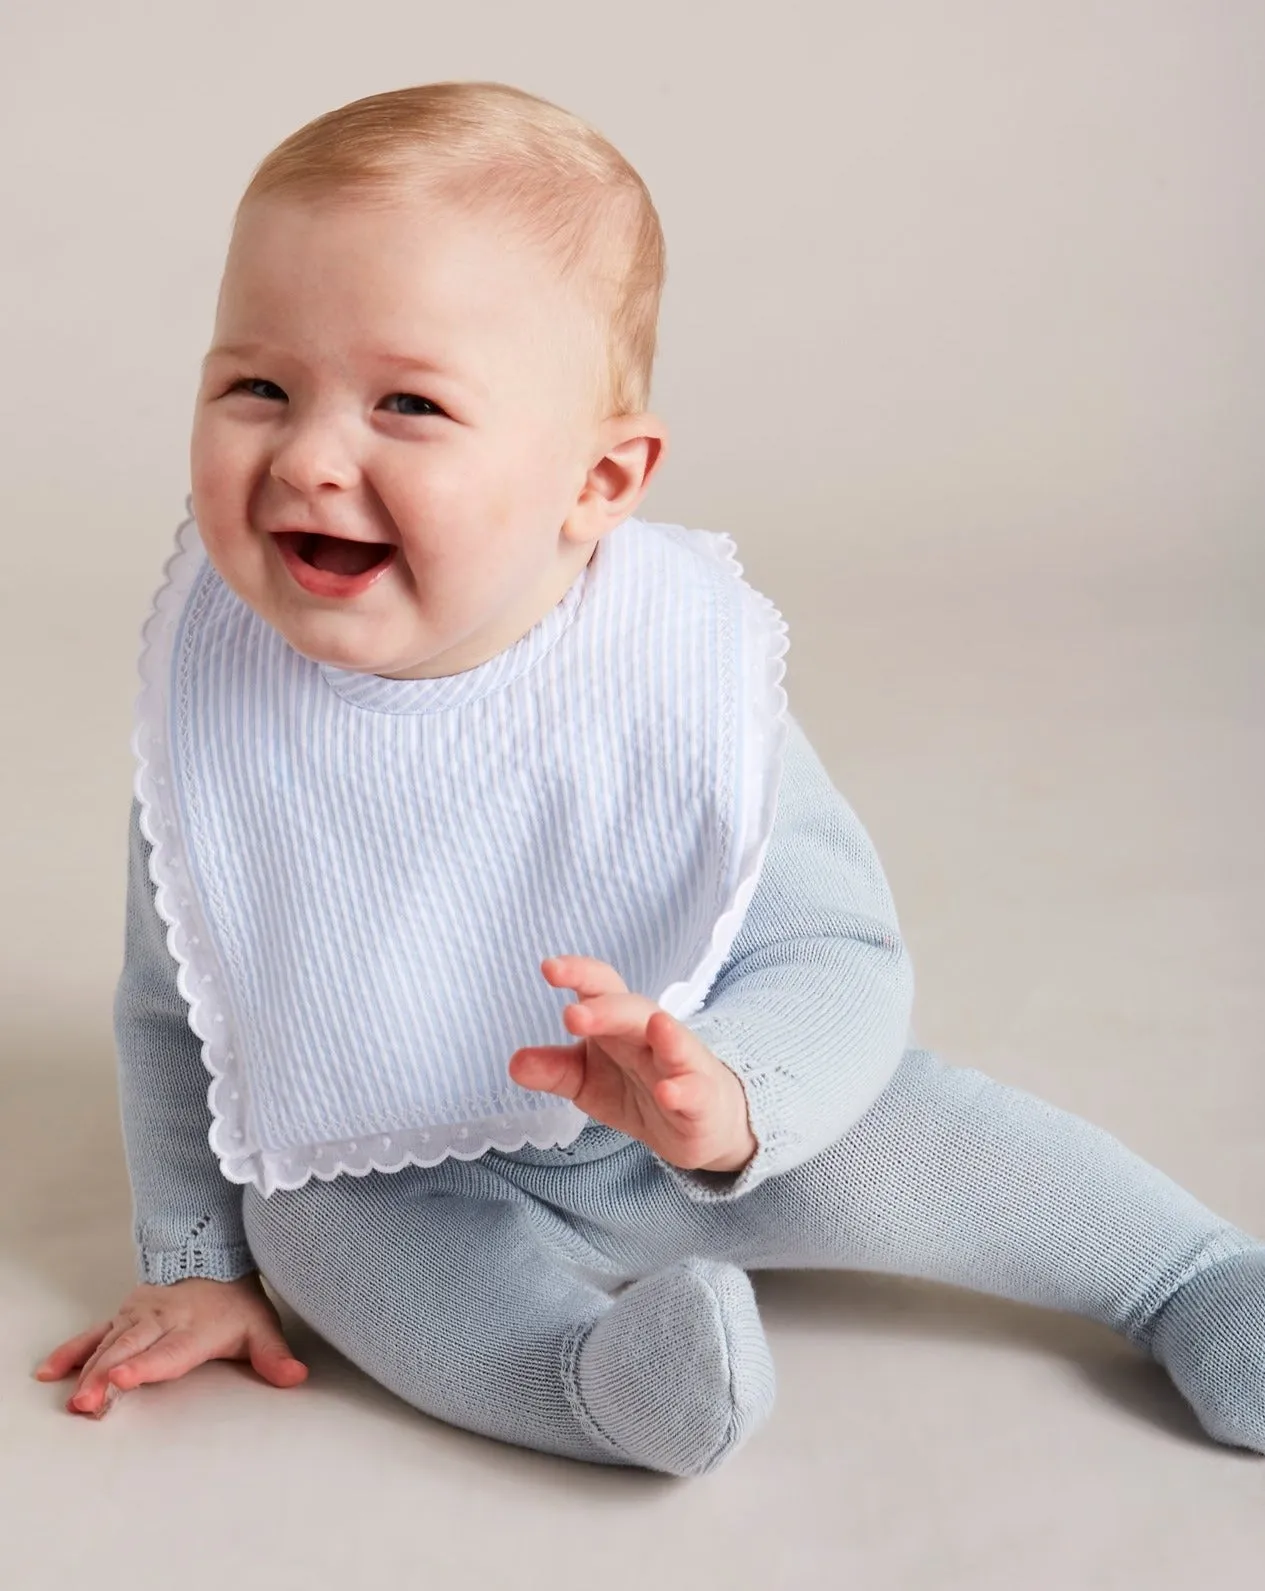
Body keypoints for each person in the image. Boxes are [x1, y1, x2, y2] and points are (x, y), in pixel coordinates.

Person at [35, 81, 1265, 1476]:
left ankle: (1194, 1277)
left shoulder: (667, 676)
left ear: (599, 481)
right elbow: (175, 1016)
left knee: (937, 1138)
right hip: (394, 1165)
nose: (312, 458)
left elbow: (837, 953)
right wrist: (195, 1257)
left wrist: (731, 1095)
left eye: (411, 404)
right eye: (259, 384)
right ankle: (602, 1382)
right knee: (313, 1240)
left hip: (709, 1117)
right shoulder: (219, 692)